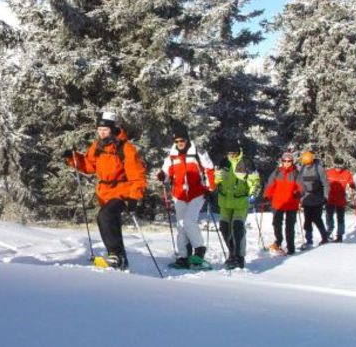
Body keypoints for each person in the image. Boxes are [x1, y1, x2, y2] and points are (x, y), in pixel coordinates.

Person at [64, 111, 147, 270]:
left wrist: (134, 197)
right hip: (104, 192)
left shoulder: (126, 148)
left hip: (123, 191)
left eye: (105, 130)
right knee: (112, 223)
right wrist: (73, 158)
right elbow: (89, 166)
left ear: (113, 129)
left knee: (105, 216)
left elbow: (137, 174)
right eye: (99, 130)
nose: (101, 133)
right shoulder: (98, 146)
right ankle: (121, 261)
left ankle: (114, 255)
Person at [157, 124, 215, 269]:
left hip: (197, 193)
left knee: (189, 221)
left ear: (187, 139)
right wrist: (162, 175)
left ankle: (200, 250)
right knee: (181, 225)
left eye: (182, 140)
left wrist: (210, 188)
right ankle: (183, 256)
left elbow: (209, 169)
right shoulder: (172, 155)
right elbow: (166, 172)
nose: (179, 143)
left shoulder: (198, 153)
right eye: (176, 141)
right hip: (179, 194)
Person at [215, 139, 261, 269]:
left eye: (233, 153)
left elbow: (255, 181)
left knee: (238, 228)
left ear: (238, 151)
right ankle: (232, 253)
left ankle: (239, 257)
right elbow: (216, 179)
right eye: (229, 153)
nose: (231, 156)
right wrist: (212, 187)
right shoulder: (223, 162)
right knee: (224, 228)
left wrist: (253, 194)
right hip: (224, 201)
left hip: (240, 201)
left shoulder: (246, 163)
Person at [263, 152, 301, 255]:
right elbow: (270, 184)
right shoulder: (277, 172)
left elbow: (301, 187)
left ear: (292, 162)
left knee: (289, 227)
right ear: (282, 161)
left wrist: (298, 193)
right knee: (276, 224)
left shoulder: (296, 173)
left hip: (291, 203)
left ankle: (291, 247)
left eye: (289, 161)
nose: (287, 163)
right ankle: (278, 241)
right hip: (278, 203)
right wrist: (266, 195)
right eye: (285, 161)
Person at [297, 150, 330, 249]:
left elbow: (325, 183)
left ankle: (324, 237)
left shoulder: (318, 168)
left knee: (317, 219)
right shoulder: (302, 169)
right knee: (307, 220)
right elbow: (300, 183)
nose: (307, 165)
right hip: (306, 198)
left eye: (308, 163)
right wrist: (300, 196)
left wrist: (326, 196)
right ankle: (309, 240)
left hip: (317, 197)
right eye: (305, 163)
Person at [325, 158, 355, 242]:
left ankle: (340, 235)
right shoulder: (329, 172)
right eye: (336, 166)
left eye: (340, 166)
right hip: (330, 198)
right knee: (329, 216)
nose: (338, 168)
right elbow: (323, 182)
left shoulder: (346, 173)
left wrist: (352, 185)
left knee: (340, 218)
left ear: (343, 165)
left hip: (340, 199)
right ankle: (329, 230)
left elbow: (351, 181)